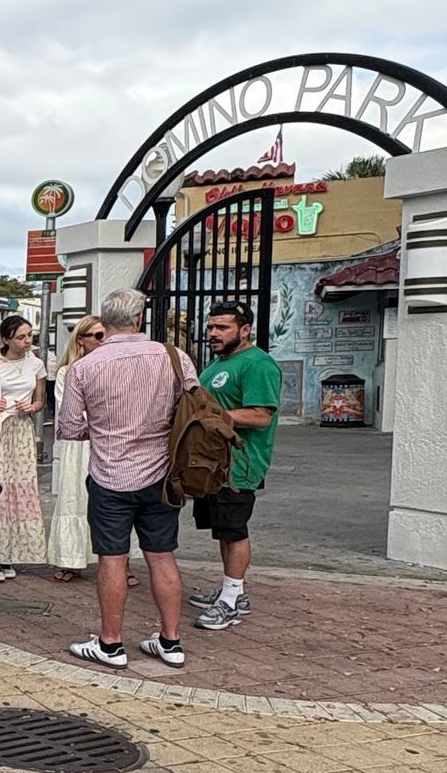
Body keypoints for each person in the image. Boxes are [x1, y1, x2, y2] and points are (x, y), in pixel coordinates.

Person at [54, 287, 198, 671]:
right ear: (139, 318)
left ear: (106, 320)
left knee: (112, 560)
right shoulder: (174, 358)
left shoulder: (85, 367)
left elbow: (68, 428)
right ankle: (170, 640)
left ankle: (111, 643)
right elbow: (194, 412)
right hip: (161, 475)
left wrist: (102, 432)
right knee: (162, 557)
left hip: (109, 476)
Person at [190, 298, 281, 630]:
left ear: (245, 330)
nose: (212, 333)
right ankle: (233, 590)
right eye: (211, 326)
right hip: (213, 464)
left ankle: (230, 601)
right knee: (223, 531)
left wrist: (216, 418)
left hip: (240, 464)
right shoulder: (217, 363)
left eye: (221, 327)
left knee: (235, 530)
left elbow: (260, 414)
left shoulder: (258, 364)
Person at [0, 314, 46, 581]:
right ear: (6, 339)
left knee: (20, 490)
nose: (27, 341)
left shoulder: (36, 364)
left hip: (21, 431)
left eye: (29, 336)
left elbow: (40, 400)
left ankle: (8, 552)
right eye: (21, 337)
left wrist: (33, 407)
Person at [47, 316, 106, 579]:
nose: (102, 341)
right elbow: (68, 411)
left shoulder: (111, 366)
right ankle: (71, 558)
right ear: (81, 339)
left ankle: (118, 559)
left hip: (108, 441)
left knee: (111, 501)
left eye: (104, 335)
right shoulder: (67, 372)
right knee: (75, 498)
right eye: (96, 335)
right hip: (80, 443)